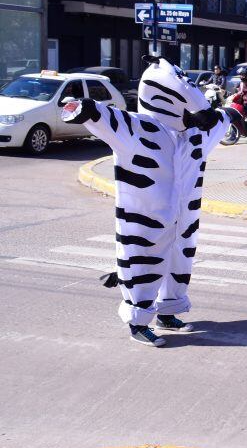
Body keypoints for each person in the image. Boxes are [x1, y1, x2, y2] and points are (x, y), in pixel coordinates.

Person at [60, 56, 236, 347]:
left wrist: (230, 112)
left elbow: (218, 121)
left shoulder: (192, 136)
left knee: (180, 263)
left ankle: (168, 311)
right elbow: (104, 118)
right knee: (143, 265)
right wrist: (84, 109)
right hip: (144, 220)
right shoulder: (138, 129)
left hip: (185, 217)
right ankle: (138, 322)